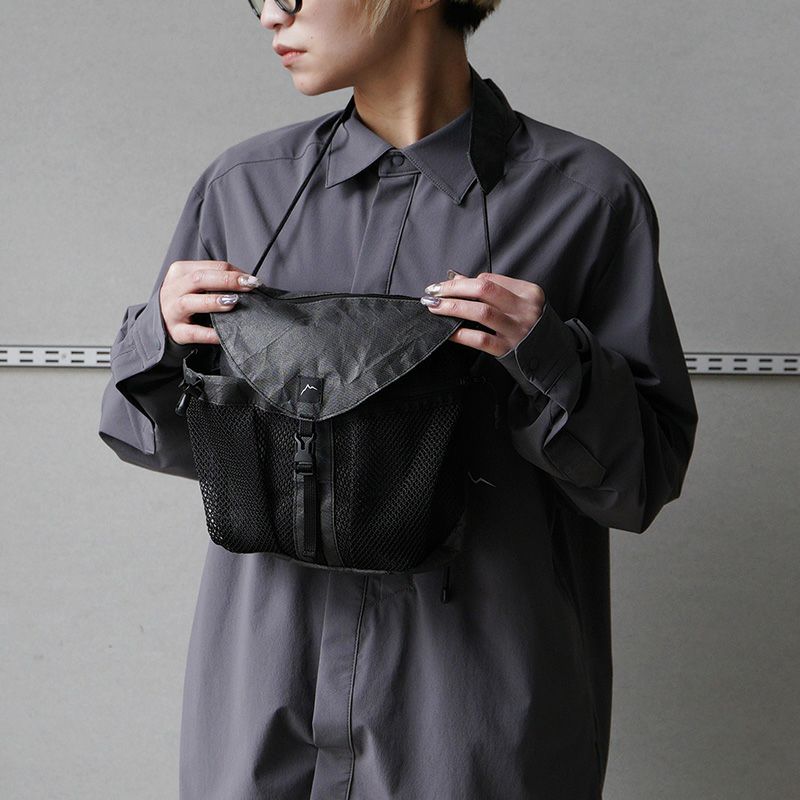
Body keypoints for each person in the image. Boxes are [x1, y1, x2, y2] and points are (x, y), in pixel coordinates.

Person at [98, 0, 699, 797]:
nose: (271, 15)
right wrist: (160, 340)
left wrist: (549, 356)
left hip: (472, 720)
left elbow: (639, 482)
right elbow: (150, 436)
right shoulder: (242, 190)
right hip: (261, 705)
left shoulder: (584, 199)